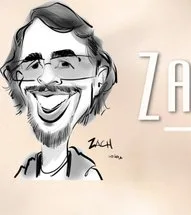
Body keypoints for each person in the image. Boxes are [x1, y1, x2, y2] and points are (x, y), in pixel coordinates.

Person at [7, 4, 113, 180]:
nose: (46, 78)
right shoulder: (23, 173)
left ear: (98, 78)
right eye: (33, 66)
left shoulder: (89, 177)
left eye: (66, 64)